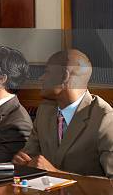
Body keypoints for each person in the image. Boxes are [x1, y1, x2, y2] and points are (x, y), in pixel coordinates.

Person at [13, 49, 113, 178]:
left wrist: (58, 174)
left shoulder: (106, 119)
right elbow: (29, 156)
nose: (41, 78)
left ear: (64, 76)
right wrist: (22, 162)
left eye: (47, 72)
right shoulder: (44, 110)